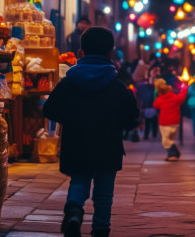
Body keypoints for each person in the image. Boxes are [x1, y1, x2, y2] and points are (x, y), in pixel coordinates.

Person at [43, 26, 139, 237]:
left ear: (80, 53)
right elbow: (132, 116)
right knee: (104, 192)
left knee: (79, 181)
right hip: (108, 146)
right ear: (111, 54)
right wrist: (119, 123)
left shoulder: (68, 83)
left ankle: (74, 211)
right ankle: (101, 229)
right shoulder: (117, 86)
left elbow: (50, 109)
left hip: (76, 144)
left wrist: (71, 118)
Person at [153, 77, 187, 161]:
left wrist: (156, 95)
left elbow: (155, 105)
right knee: (171, 139)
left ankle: (172, 155)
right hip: (175, 123)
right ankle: (175, 153)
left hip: (164, 123)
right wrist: (185, 86)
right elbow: (182, 95)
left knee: (166, 140)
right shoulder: (176, 98)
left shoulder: (160, 99)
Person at [136, 66, 160, 140]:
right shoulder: (146, 86)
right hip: (148, 106)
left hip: (153, 106)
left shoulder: (155, 87)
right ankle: (147, 135)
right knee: (148, 122)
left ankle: (153, 134)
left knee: (153, 122)